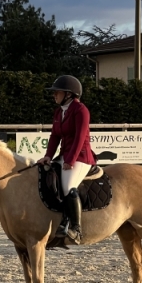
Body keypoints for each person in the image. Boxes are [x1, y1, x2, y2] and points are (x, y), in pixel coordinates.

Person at [37, 75, 96, 244]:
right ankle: (59, 222)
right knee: (48, 179)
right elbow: (55, 136)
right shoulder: (59, 112)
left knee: (68, 186)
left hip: (81, 157)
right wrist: (48, 156)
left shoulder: (81, 110)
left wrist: (70, 160)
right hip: (64, 155)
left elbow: (80, 137)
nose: (54, 95)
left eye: (57, 92)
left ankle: (76, 229)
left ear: (69, 94)